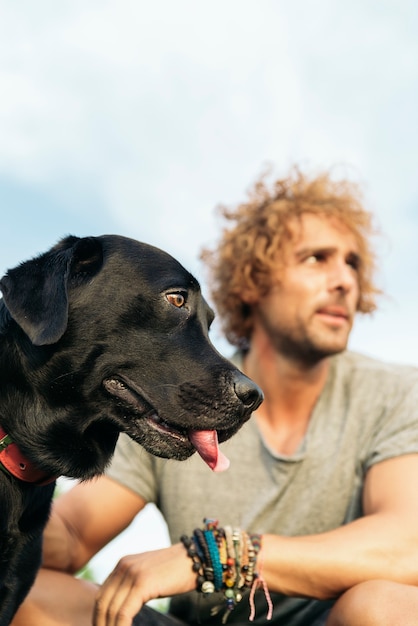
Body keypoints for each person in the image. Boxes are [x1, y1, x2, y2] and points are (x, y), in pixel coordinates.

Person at [12, 167, 418, 626]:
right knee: (28, 589)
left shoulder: (397, 392)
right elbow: (66, 535)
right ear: (253, 279)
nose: (345, 279)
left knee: (383, 607)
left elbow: (407, 546)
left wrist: (215, 556)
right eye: (317, 258)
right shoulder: (172, 397)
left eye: (353, 263)